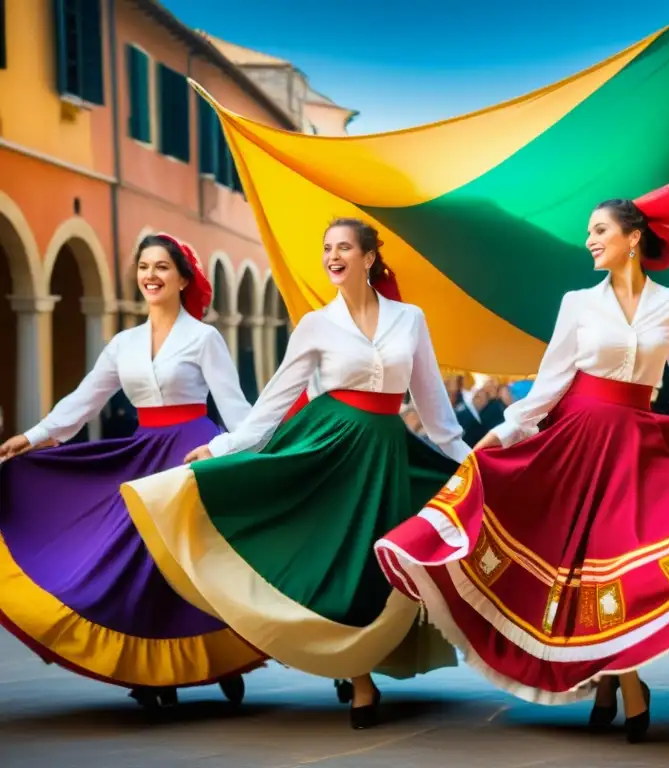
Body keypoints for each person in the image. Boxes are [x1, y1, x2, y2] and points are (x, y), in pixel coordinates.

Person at [374, 184, 669, 743]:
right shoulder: (577, 303)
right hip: (575, 448)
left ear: (633, 238)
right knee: (582, 574)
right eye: (589, 232)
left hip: (637, 451)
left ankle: (617, 678)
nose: (588, 241)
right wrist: (503, 432)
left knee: (625, 570)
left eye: (599, 231)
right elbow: (549, 383)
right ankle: (627, 682)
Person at [121, 218, 469, 729]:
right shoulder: (315, 325)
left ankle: (362, 667)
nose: (333, 256)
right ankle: (358, 680)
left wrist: (468, 462)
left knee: (380, 568)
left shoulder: (409, 320)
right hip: (330, 455)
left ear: (369, 258)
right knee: (343, 566)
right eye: (327, 248)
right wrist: (222, 447)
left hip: (388, 455)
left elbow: (435, 408)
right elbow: (272, 403)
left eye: (344, 248)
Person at [0, 233, 263, 710]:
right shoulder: (123, 344)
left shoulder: (205, 338)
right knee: (137, 562)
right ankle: (154, 672)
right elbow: (83, 401)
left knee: (191, 563)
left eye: (162, 267)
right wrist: (34, 436)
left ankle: (219, 659)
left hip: (192, 456)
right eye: (144, 266)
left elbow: (236, 408)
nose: (151, 276)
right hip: (144, 455)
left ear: (183, 278)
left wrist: (230, 449)